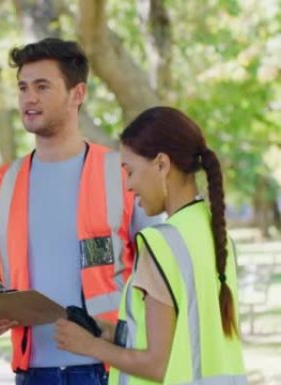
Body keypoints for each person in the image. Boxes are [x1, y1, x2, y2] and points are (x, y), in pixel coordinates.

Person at [0, 37, 158, 385]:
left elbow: (161, 277)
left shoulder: (123, 172)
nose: (29, 98)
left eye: (42, 87)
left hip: (110, 367)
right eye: (23, 88)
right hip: (31, 372)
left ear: (78, 94)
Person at [54, 106, 248, 384]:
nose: (129, 186)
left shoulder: (161, 244)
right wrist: (109, 333)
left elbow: (156, 364)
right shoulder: (217, 237)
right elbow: (185, 337)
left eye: (130, 171)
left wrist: (88, 346)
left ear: (161, 165)